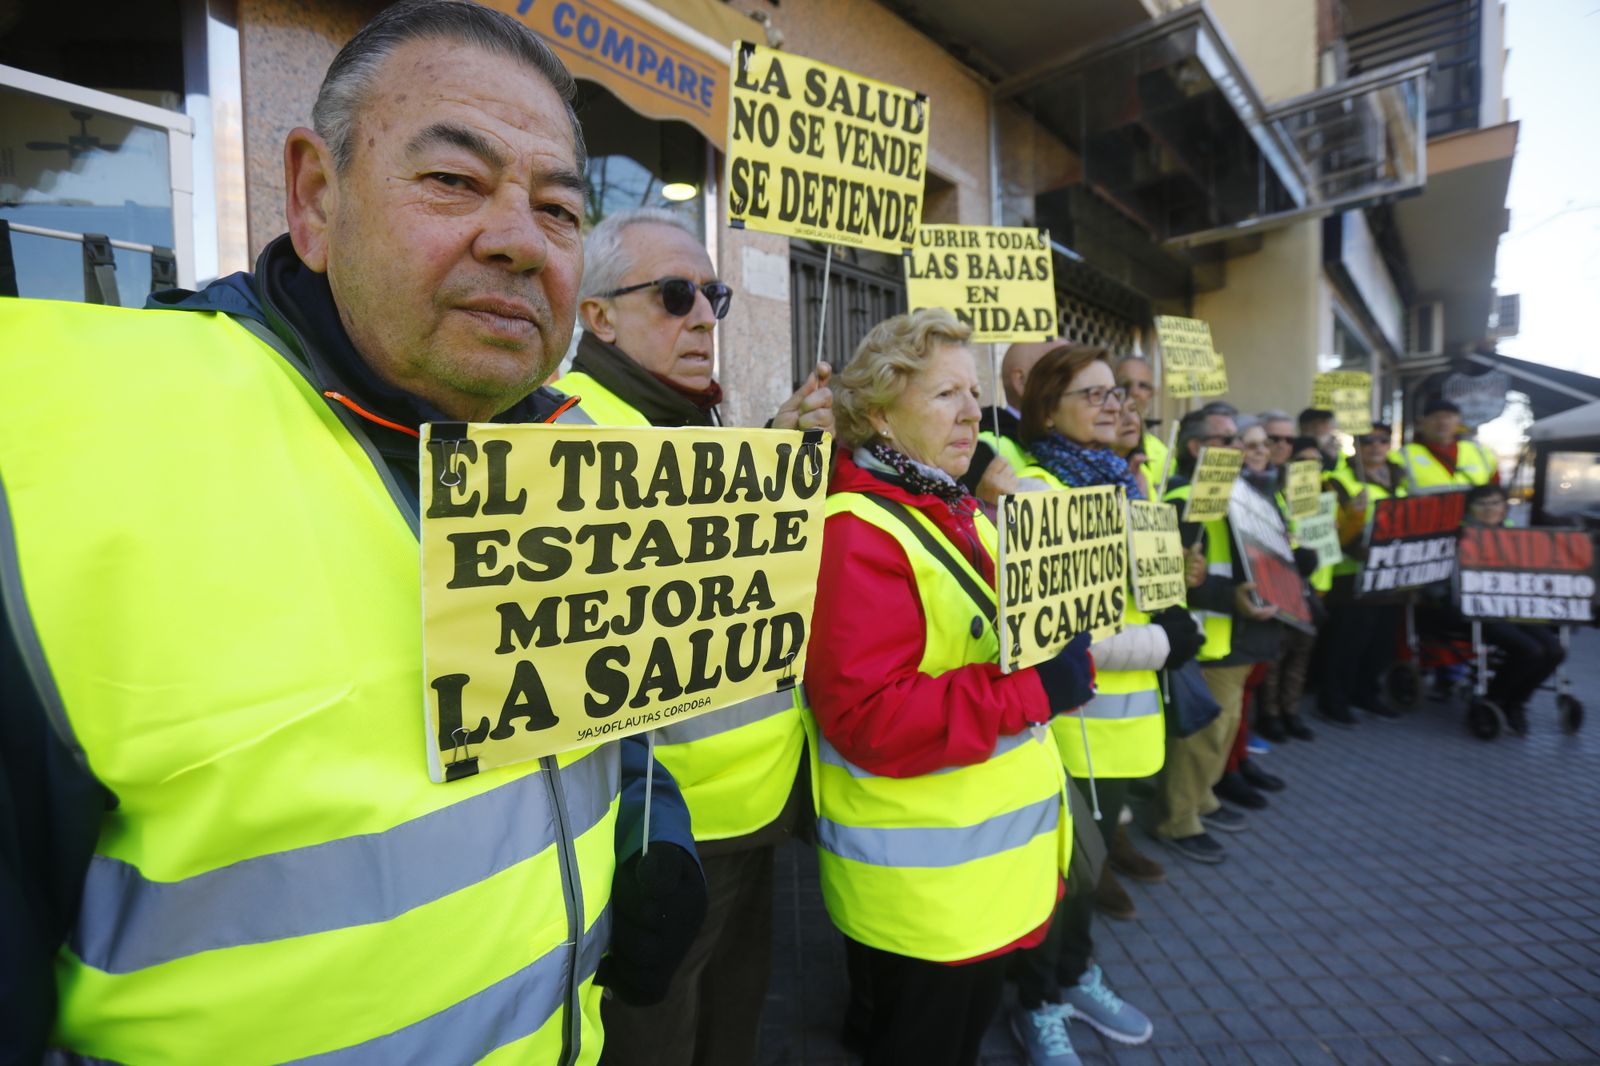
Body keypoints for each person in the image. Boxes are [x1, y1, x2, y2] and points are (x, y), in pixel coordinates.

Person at [0, 4, 706, 1060]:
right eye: (454, 180)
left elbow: (609, 704)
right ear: (314, 198)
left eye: (559, 209)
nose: (519, 240)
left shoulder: (583, 450)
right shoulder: (56, 457)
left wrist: (657, 823)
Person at [556, 208, 831, 1066]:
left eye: (715, 295)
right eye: (676, 295)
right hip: (666, 833)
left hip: (755, 808)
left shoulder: (690, 423)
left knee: (732, 1021)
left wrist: (776, 458)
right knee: (659, 1041)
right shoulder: (568, 434)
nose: (706, 317)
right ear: (598, 316)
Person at [801, 309, 1097, 1066]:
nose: (973, 413)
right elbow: (868, 716)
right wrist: (1033, 689)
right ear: (878, 413)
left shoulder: (956, 505)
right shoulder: (858, 529)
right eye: (944, 395)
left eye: (974, 392)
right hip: (926, 891)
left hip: (984, 875)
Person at [1004, 346, 1203, 1064]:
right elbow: (1056, 631)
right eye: (1092, 395)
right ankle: (1038, 1001)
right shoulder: (1035, 490)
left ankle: (1075, 972)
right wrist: (1163, 641)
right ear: (1046, 406)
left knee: (1084, 878)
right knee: (1058, 878)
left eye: (1116, 392)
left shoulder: (1124, 481)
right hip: (1067, 726)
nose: (1114, 404)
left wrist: (1178, 593)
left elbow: (1151, 593)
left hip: (1124, 727)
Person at [1155, 408, 1279, 864]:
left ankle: (1202, 800)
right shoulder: (1182, 499)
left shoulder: (1236, 494)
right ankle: (1178, 821)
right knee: (1202, 737)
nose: (1239, 448)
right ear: (1196, 448)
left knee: (1222, 730)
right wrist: (1231, 597)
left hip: (1233, 635)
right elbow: (1168, 580)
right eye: (1227, 440)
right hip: (1206, 640)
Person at [1211, 419, 1296, 811]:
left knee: (1247, 698)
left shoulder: (1271, 491)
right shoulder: (1225, 492)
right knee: (1232, 705)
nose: (1261, 450)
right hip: (1237, 617)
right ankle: (1226, 772)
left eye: (1264, 444)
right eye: (1251, 444)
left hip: (1268, 611)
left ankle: (1240, 760)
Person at [1316, 423, 1407, 726]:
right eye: (1368, 441)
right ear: (1356, 445)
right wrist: (1361, 548)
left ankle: (1367, 694)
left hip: (1390, 579)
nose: (1376, 446)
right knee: (1347, 644)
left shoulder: (1401, 477)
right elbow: (1333, 528)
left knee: (1380, 644)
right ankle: (1334, 701)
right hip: (1350, 578)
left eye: (1382, 440)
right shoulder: (1337, 480)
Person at [1459, 484, 1565, 735]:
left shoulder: (1517, 536)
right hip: (1478, 610)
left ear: (1505, 507)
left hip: (1514, 607)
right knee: (1530, 650)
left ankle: (1517, 701)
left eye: (1495, 503)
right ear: (1470, 508)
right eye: (1482, 504)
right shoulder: (1459, 537)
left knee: (1555, 651)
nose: (1489, 509)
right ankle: (1494, 699)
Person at [1255, 436, 1327, 743]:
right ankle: (1270, 715)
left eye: (1316, 463)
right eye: (1303, 462)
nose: (1310, 469)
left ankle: (1291, 711)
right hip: (1276, 584)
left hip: (1307, 586)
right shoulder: (1273, 495)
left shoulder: (1318, 497)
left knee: (1301, 653)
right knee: (1277, 655)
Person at [960, 338, 1056, 504]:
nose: (975, 413)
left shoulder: (1049, 445)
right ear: (1021, 380)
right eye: (1061, 374)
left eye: (974, 393)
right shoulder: (979, 449)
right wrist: (990, 509)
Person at [1400, 397, 1498, 494]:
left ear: (1458, 422)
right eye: (1435, 417)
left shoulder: (1481, 452)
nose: (1442, 422)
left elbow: (1496, 490)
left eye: (1448, 417)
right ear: (1423, 422)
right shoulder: (1403, 455)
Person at [1115, 354, 1169, 482]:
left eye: (1143, 386)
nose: (1134, 392)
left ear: (1152, 394)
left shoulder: (1162, 454)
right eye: (1125, 384)